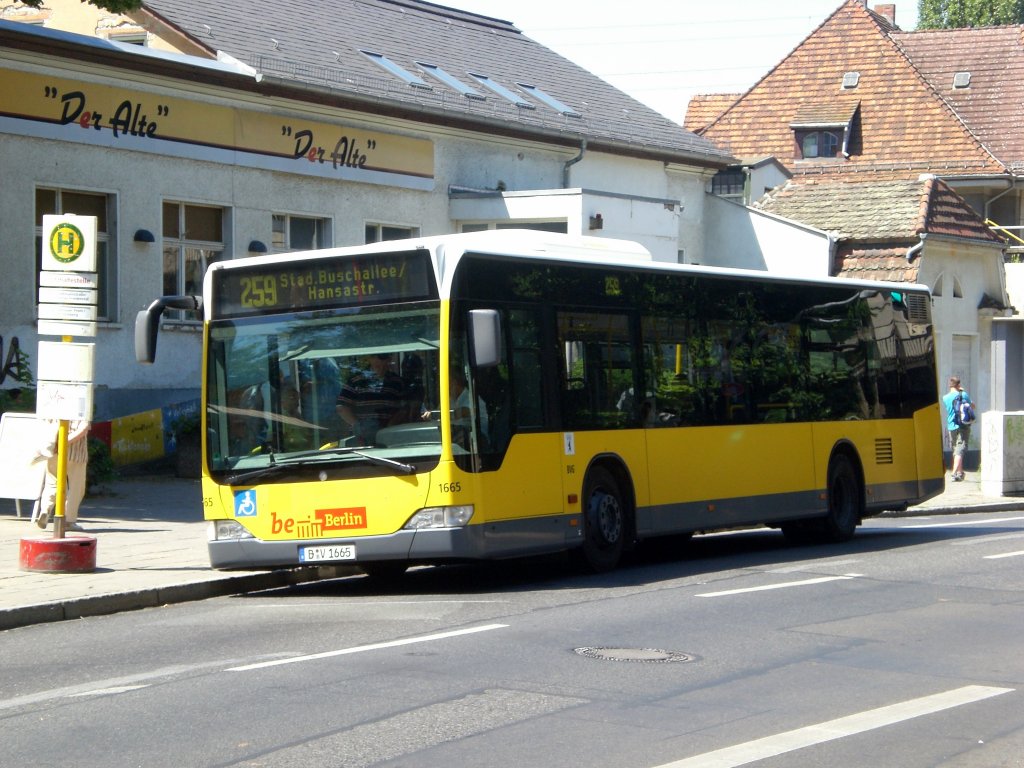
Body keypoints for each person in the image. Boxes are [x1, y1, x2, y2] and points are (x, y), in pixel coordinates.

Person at [336, 353, 406, 445]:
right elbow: (342, 407)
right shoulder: (356, 380)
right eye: (373, 356)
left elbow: (405, 409)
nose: (377, 360)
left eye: (382, 356)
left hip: (390, 438)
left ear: (389, 359)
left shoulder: (397, 382)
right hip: (361, 440)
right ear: (369, 359)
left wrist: (390, 427)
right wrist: (358, 426)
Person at [34, 419, 90, 531]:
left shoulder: (55, 404)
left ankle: (45, 510)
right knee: (76, 487)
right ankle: (69, 521)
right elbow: (83, 429)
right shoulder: (82, 406)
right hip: (76, 453)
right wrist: (64, 442)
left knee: (52, 483)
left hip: (54, 451)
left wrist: (54, 444)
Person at [942, 376, 972, 482]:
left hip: (951, 426)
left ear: (950, 385)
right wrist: (962, 393)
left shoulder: (945, 398)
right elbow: (972, 406)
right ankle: (954, 472)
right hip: (963, 425)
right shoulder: (963, 394)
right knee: (960, 449)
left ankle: (960, 473)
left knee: (956, 449)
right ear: (958, 385)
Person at [450, 367, 488, 447]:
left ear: (455, 383)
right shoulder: (453, 399)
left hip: (479, 443)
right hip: (462, 440)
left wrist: (434, 415)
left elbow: (463, 412)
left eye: (447, 386)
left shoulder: (471, 397)